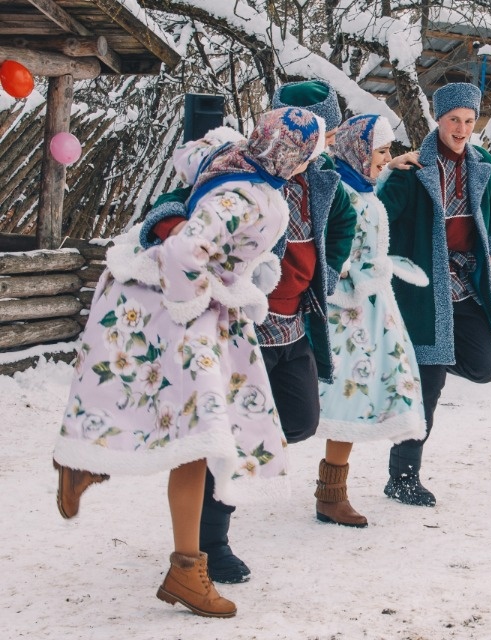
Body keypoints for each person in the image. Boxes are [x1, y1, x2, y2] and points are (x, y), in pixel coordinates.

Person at [52, 107, 325, 617]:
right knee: (197, 434)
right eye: (305, 155)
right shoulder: (244, 195)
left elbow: (190, 159)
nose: (305, 165)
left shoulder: (237, 161)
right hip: (173, 304)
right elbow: (183, 251)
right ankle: (184, 566)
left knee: (195, 435)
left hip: (183, 303)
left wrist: (250, 272)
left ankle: (95, 476)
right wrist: (194, 303)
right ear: (291, 153)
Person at [140, 80, 357, 583]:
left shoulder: (324, 182)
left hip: (294, 322)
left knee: (302, 421)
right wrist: (176, 233)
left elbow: (342, 225)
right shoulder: (240, 166)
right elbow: (175, 203)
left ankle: (227, 454)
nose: (313, 150)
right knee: (230, 437)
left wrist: (324, 273)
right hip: (239, 323)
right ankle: (212, 542)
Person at [376, 82, 491, 506]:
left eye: (469, 121)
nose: (462, 128)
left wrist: (488, 246)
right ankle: (403, 477)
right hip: (423, 289)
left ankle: (426, 362)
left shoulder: (482, 163)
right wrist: (386, 173)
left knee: (485, 367)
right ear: (439, 119)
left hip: (464, 283)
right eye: (455, 120)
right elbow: (379, 216)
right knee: (428, 390)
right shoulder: (414, 167)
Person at [313, 114, 428, 526]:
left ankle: (332, 492)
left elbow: (369, 200)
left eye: (388, 151)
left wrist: (390, 169)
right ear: (359, 150)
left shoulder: (361, 186)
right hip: (348, 312)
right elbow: (333, 254)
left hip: (373, 310)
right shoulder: (339, 193)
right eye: (381, 150)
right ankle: (330, 494)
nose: (387, 157)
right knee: (349, 396)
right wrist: (361, 276)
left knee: (358, 396)